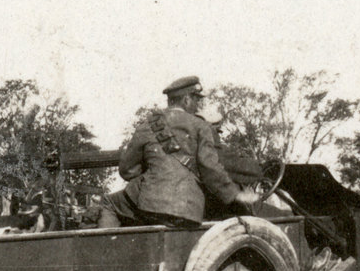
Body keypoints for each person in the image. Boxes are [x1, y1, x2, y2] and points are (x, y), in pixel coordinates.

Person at [98, 76, 259, 228]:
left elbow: (127, 170)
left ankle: (103, 254)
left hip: (150, 206)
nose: (197, 106)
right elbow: (211, 169)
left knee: (108, 203)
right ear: (186, 100)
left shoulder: (147, 125)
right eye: (196, 100)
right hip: (189, 211)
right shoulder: (201, 127)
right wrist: (235, 195)